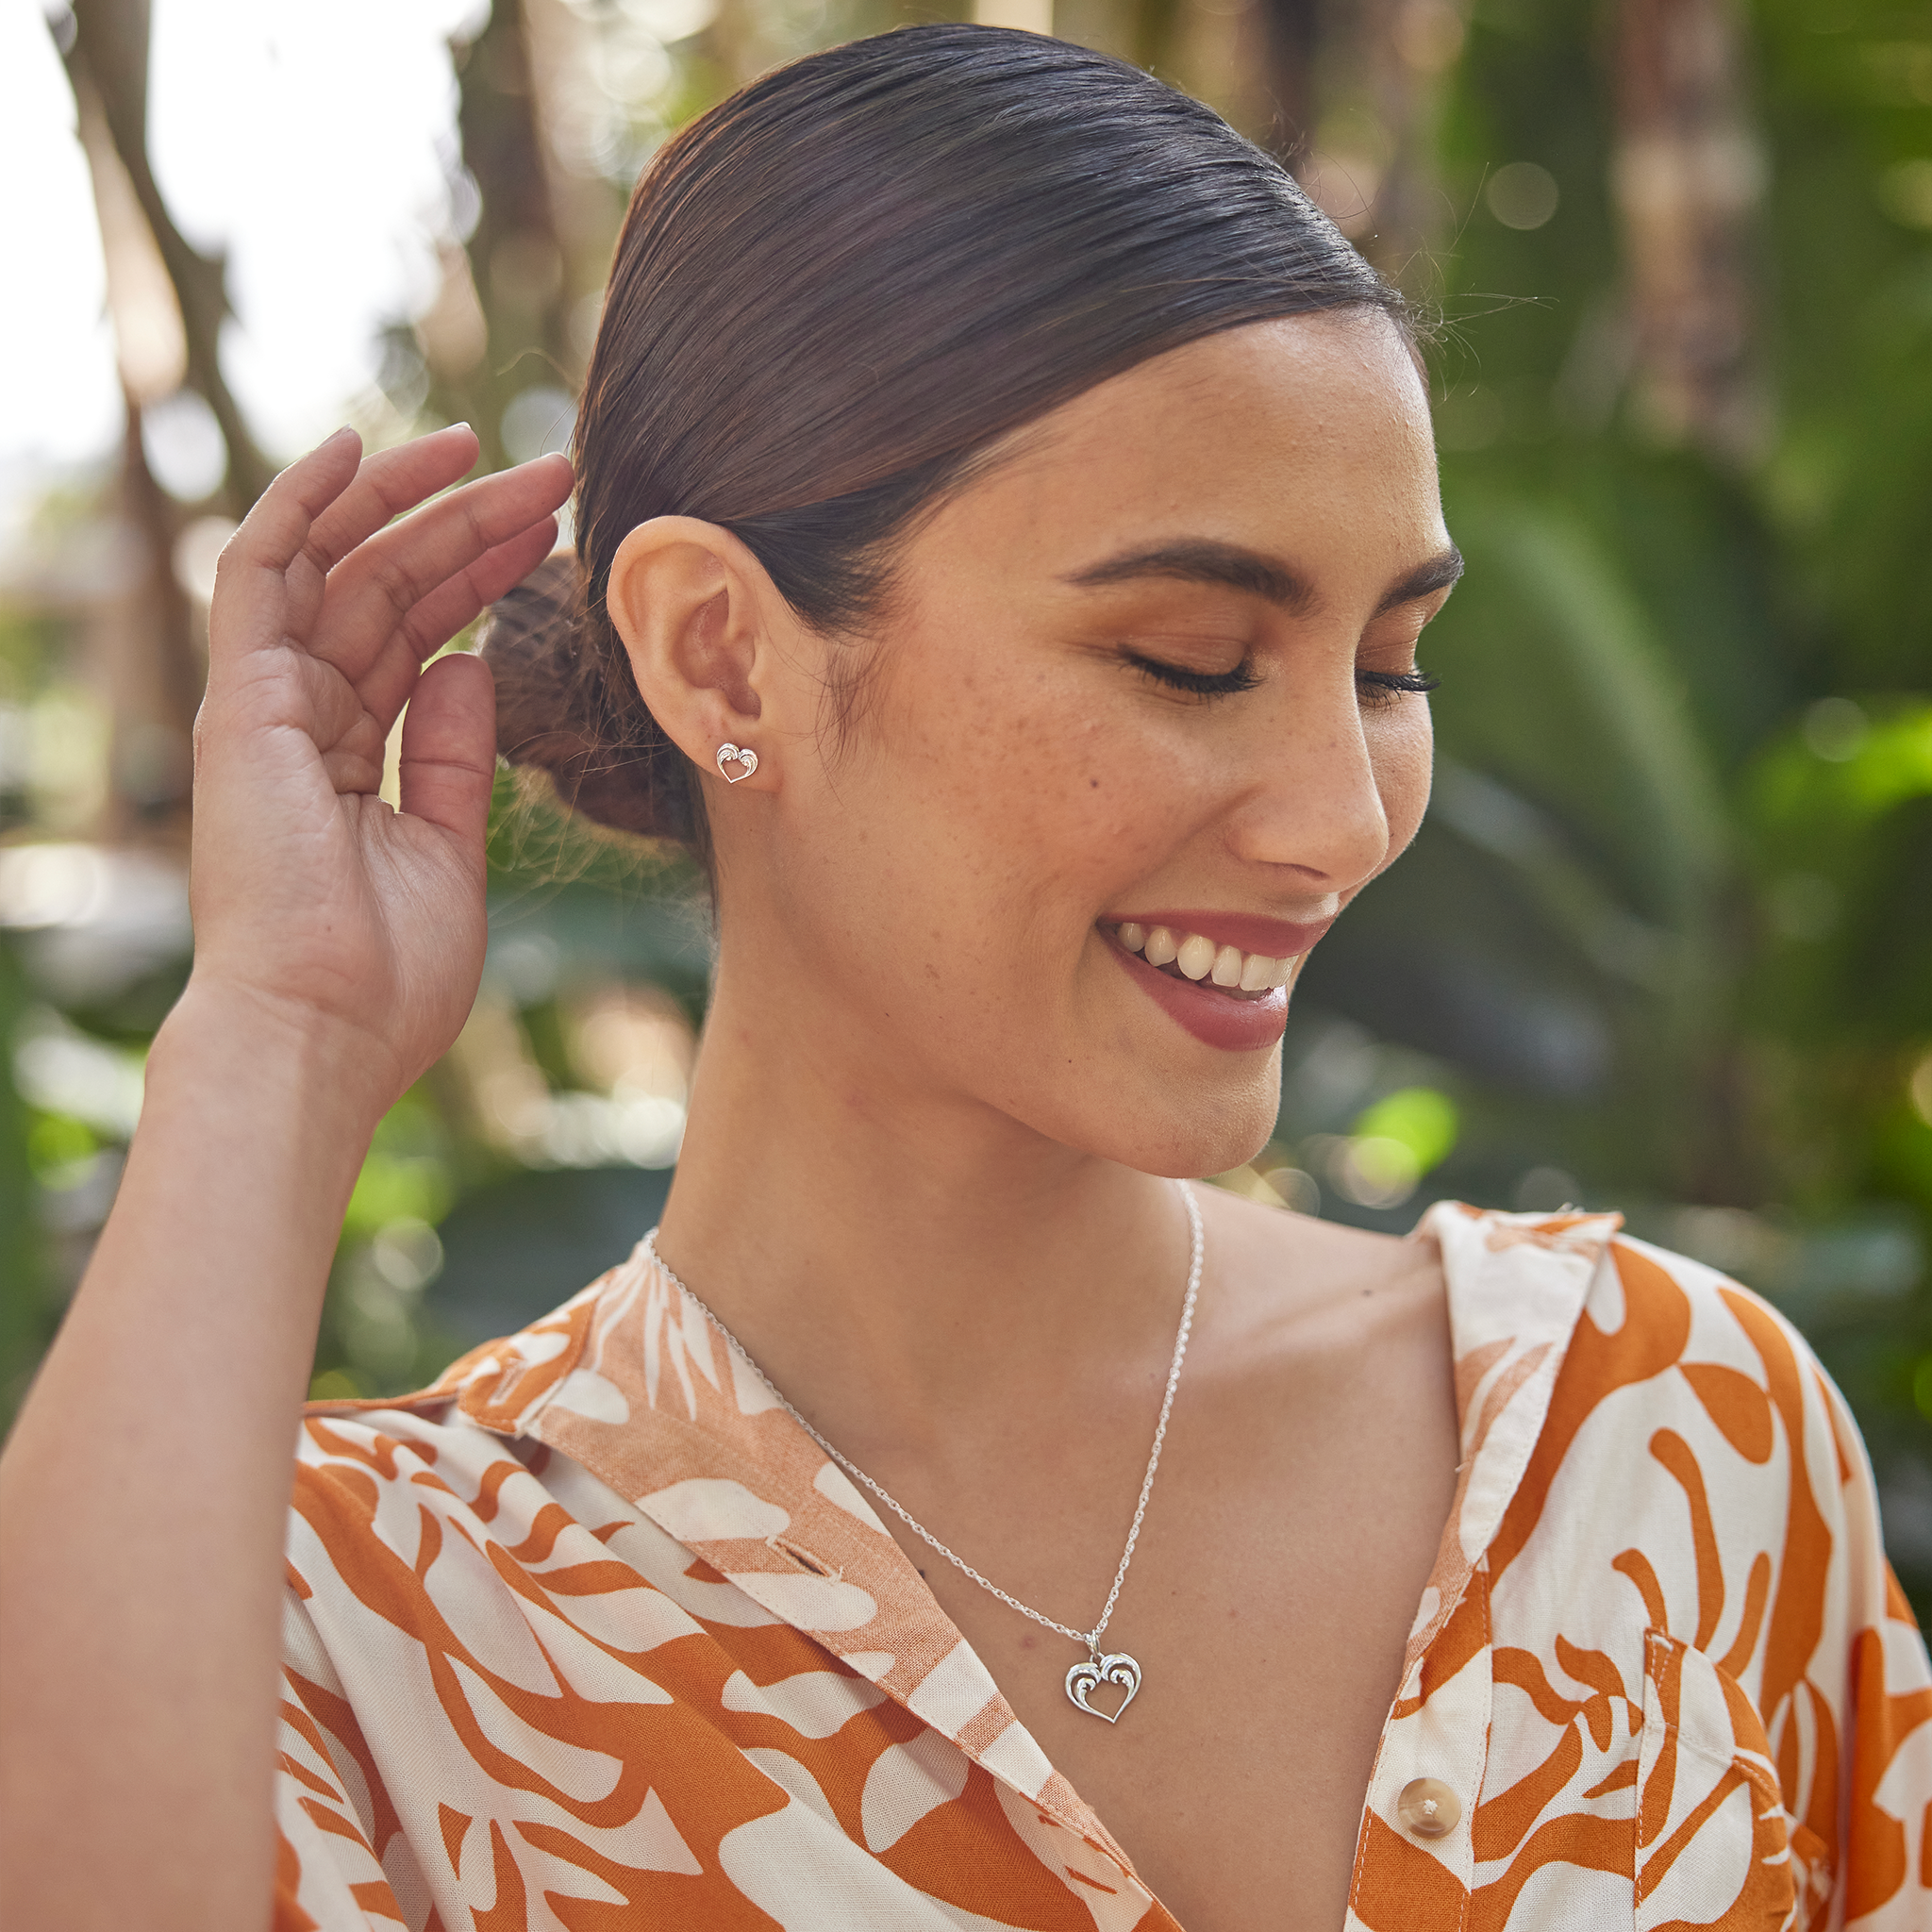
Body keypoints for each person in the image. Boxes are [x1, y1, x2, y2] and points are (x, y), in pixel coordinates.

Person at [2, 21, 1928, 1931]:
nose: (1341, 819)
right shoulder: (382, 1621)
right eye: (1190, 657)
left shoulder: (1652, 1439)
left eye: (1384, 665)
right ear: (726, 660)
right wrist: (280, 1030)